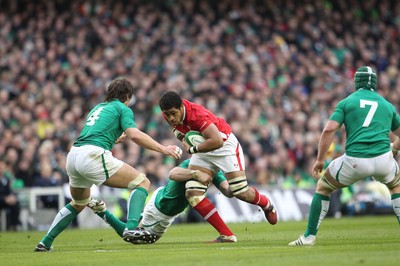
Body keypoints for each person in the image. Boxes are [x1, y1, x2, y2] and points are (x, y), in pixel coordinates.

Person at [34, 77, 182, 252]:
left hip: (74, 155)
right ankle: (133, 227)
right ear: (128, 96)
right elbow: (134, 135)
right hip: (92, 155)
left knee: (79, 202)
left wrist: (113, 139)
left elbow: (94, 134)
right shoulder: (122, 108)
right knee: (142, 182)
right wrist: (164, 149)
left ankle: (45, 242)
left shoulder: (98, 108)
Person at [289, 66, 400, 246]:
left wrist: (319, 160)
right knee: (396, 187)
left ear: (356, 82)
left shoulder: (347, 102)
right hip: (383, 159)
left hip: (355, 160)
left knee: (323, 187)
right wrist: (394, 149)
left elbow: (329, 129)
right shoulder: (387, 105)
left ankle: (309, 237)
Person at [158, 91, 277, 226]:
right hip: (204, 149)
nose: (171, 118)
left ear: (181, 107)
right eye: (167, 115)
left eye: (173, 113)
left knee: (239, 192)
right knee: (192, 192)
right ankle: (227, 235)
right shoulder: (168, 114)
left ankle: (266, 204)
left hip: (225, 147)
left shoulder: (197, 115)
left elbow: (217, 141)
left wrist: (192, 149)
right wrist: (184, 140)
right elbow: (178, 130)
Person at [88, 159, 237, 243]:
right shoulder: (191, 164)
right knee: (135, 238)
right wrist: (196, 173)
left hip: (166, 210)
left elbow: (227, 191)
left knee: (134, 235)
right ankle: (102, 212)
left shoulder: (214, 170)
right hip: (160, 207)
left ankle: (102, 211)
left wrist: (238, 186)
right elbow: (173, 173)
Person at [0, 160, 21, 231]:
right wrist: (4, 199)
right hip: (2, 200)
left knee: (15, 204)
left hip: (5, 201)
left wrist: (12, 196)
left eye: (2, 167)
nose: (1, 168)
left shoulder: (6, 179)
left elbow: (9, 191)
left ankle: (13, 225)